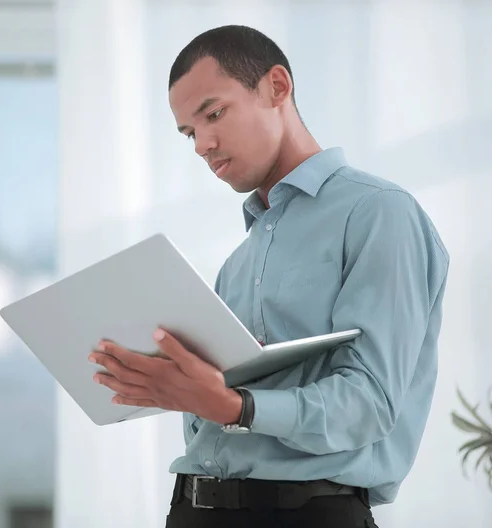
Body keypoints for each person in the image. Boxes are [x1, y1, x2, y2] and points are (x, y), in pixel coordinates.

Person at [89, 25, 449, 528]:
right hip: (192, 510)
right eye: (189, 132)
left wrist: (236, 406)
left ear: (277, 87)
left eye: (213, 114)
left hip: (305, 514)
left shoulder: (379, 214)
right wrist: (170, 384)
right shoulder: (236, 264)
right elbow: (209, 414)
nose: (202, 145)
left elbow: (369, 403)